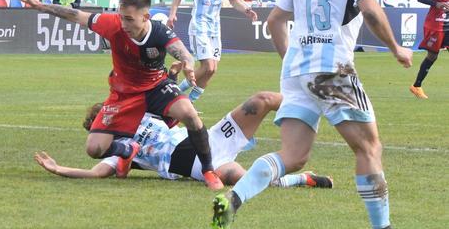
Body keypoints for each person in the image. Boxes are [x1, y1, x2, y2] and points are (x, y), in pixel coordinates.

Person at [211, 0, 421, 229]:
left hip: (296, 70)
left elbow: (276, 20)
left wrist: (291, 61)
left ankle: (234, 198)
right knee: (368, 148)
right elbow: (368, 10)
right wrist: (396, 48)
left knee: (293, 156)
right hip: (331, 70)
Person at [20, 0, 224, 189]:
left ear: (145, 17)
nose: (124, 24)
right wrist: (40, 6)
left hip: (155, 87)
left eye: (129, 19)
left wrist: (188, 63)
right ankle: (127, 150)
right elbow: (75, 14)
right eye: (121, 17)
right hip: (123, 94)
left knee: (189, 113)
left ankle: (208, 170)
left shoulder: (159, 32)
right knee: (94, 149)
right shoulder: (112, 24)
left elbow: (182, 52)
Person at [36, 88, 333, 188]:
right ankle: (303, 179)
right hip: (189, 164)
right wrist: (60, 169)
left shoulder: (144, 113)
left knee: (263, 99)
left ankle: (318, 104)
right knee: (252, 180)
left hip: (207, 139)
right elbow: (95, 173)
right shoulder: (117, 150)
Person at [166, 0, 256, 102]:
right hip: (199, 26)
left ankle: (190, 102)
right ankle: (174, 94)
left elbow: (233, 0)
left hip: (215, 29)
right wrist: (172, 14)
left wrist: (246, 10)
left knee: (212, 70)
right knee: (207, 66)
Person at [409, 0, 449, 99]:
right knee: (432, 56)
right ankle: (416, 86)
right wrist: (437, 4)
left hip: (447, 23)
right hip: (435, 24)